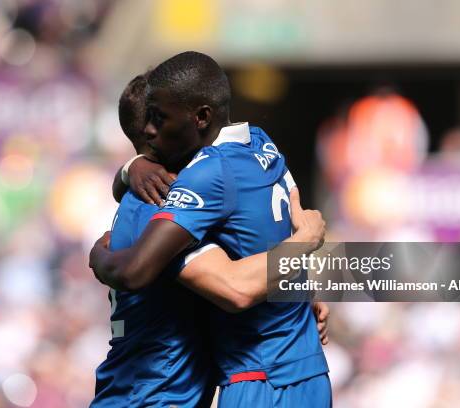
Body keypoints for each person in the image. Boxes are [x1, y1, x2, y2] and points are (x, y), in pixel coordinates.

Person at [90, 51, 332, 407]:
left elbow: (236, 286)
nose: (155, 128)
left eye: (162, 117)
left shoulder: (199, 182)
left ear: (200, 117)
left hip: (260, 380)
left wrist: (99, 258)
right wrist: (302, 260)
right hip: (156, 395)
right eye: (151, 119)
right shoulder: (259, 142)